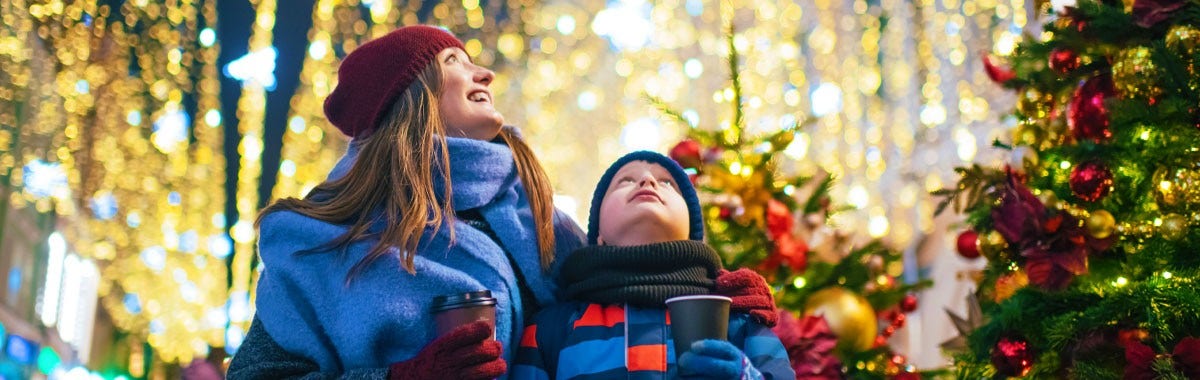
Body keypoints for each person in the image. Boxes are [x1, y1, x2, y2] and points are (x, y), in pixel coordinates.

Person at [227, 26, 778, 380]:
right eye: (454, 61)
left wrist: (712, 287)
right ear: (407, 94)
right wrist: (396, 379)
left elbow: (615, 293)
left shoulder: (537, 220)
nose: (485, 73)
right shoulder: (325, 238)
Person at [511, 151, 794, 379]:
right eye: (625, 181)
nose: (647, 180)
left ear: (691, 232)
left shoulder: (738, 320)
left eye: (668, 183)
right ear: (599, 235)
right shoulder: (549, 330)